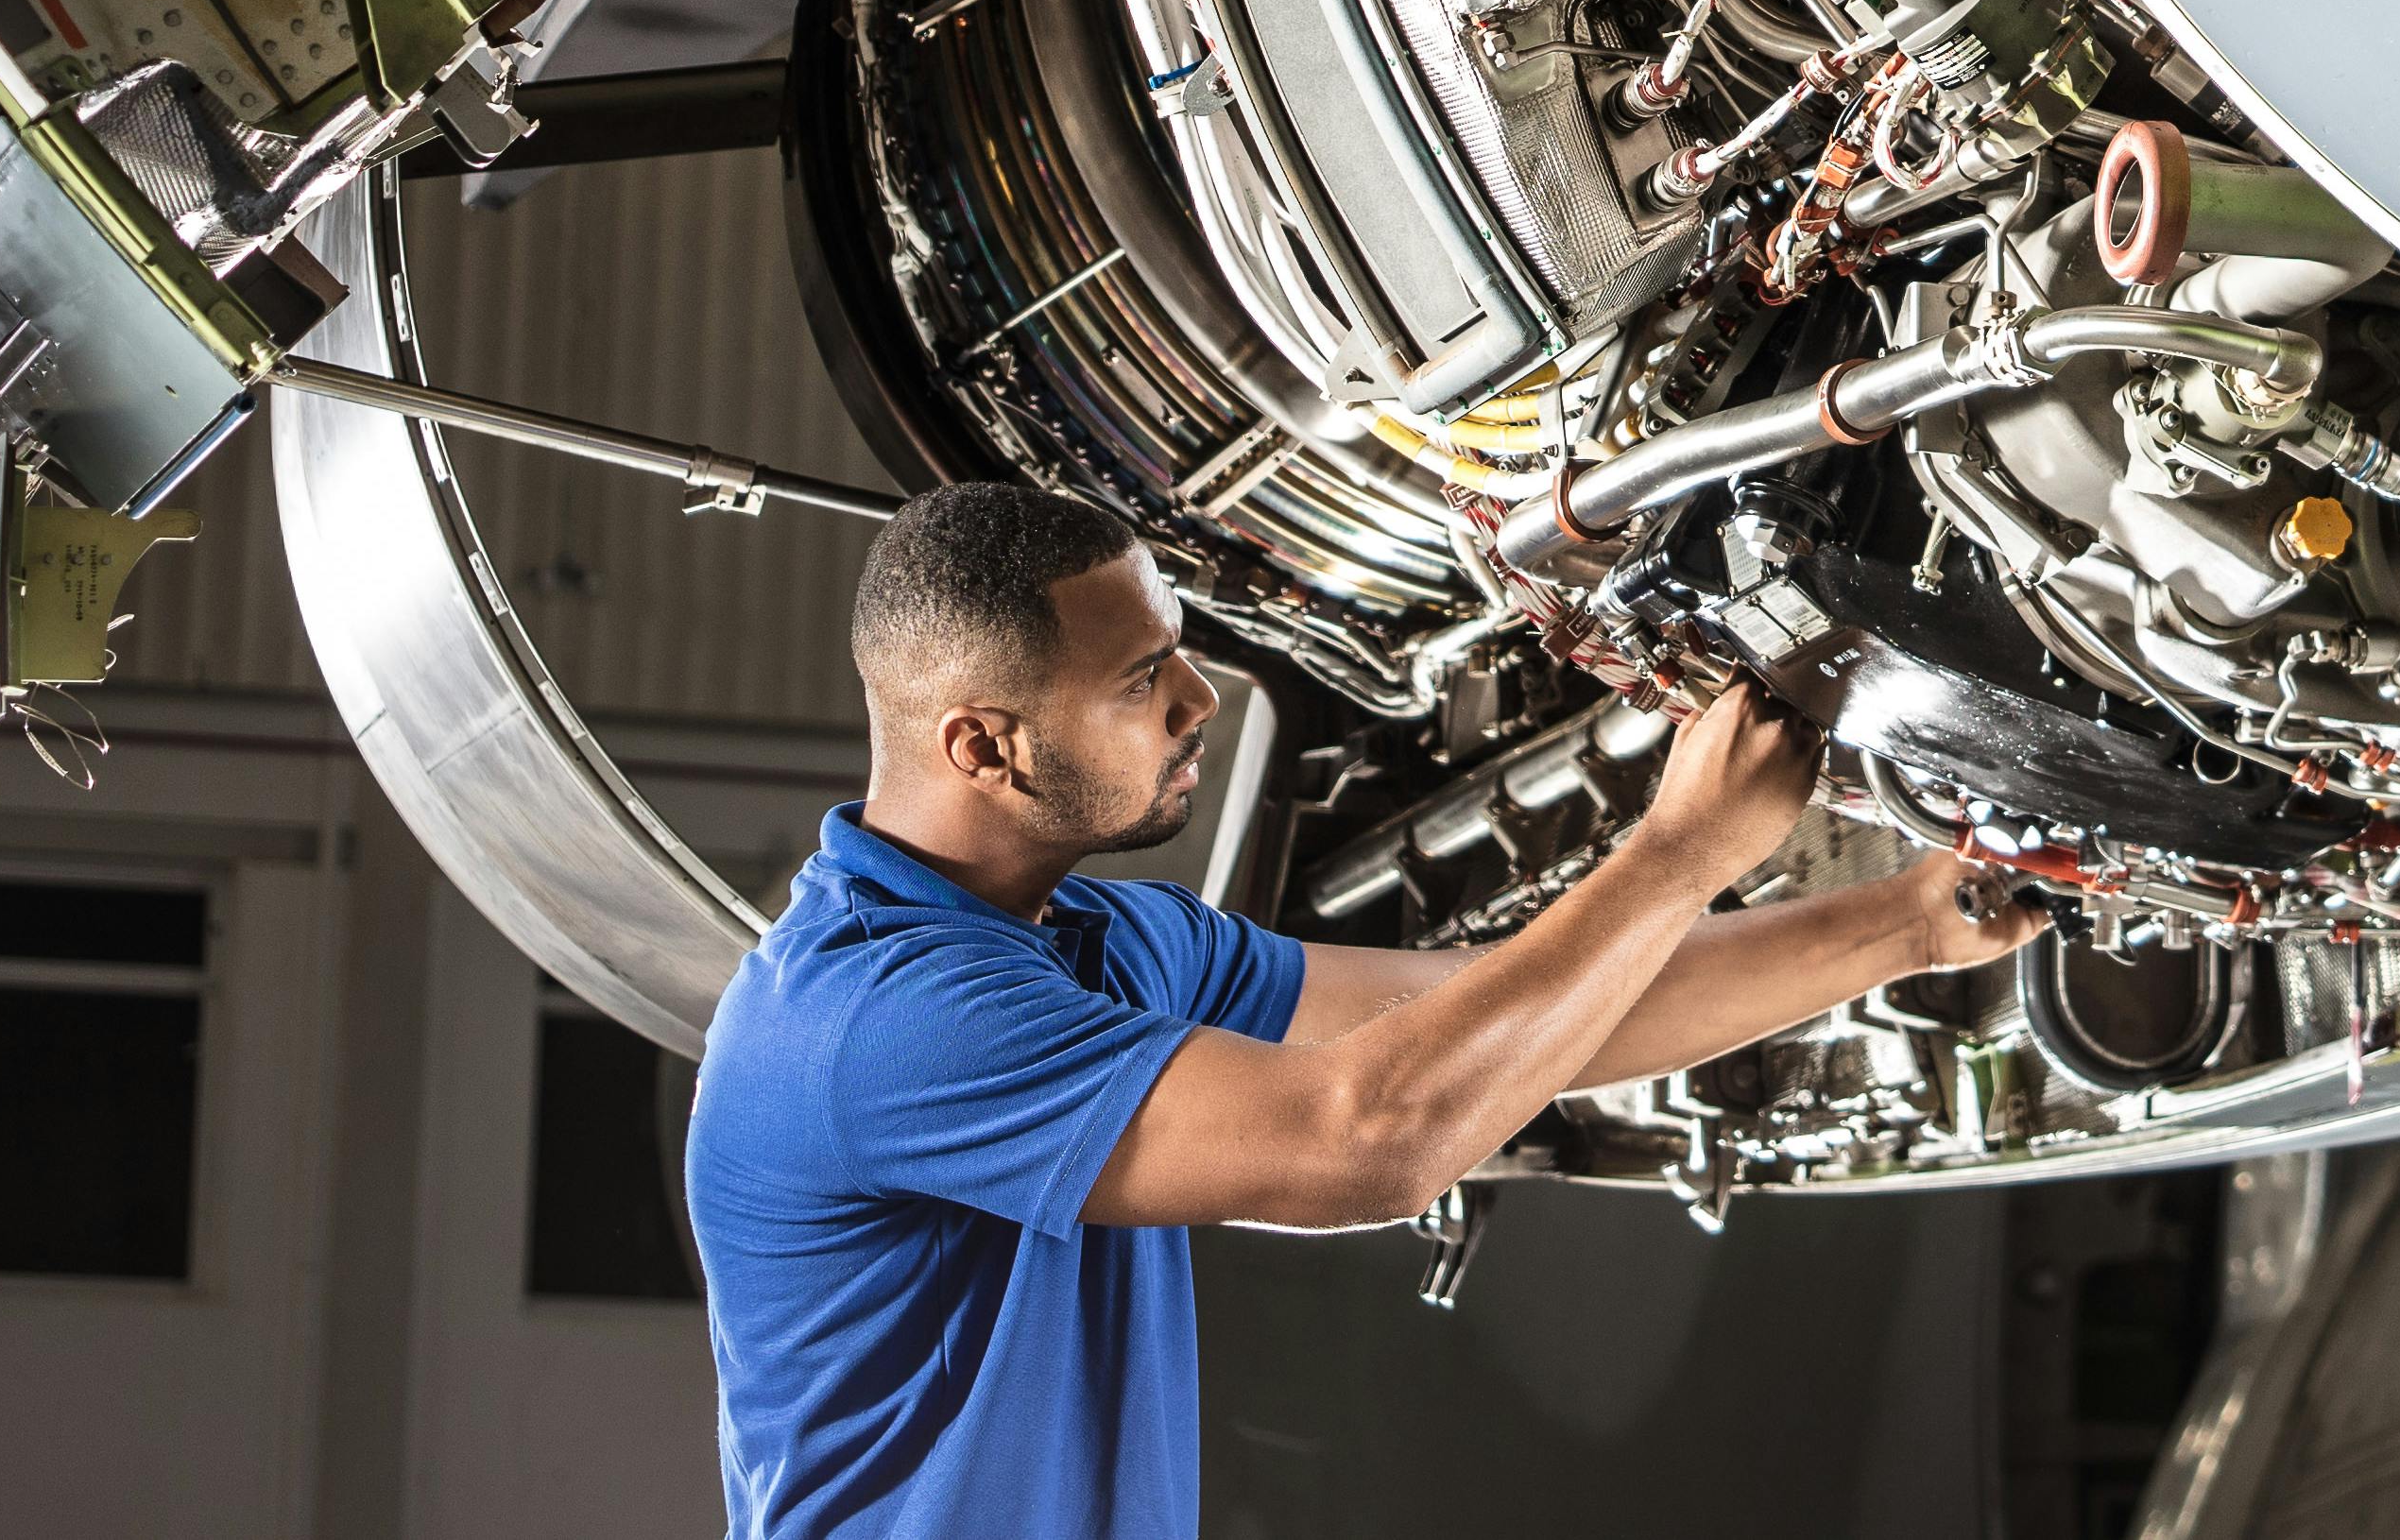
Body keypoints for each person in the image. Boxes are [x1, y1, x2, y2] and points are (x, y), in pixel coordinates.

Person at [687, 478, 2023, 1537]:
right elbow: (1369, 1136)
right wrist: (1673, 851)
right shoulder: (875, 1017)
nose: (1198, 701)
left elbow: (1525, 1019)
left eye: (1180, 654)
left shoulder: (1098, 942)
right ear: (983, 744)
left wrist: (1900, 921)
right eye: (1142, 681)